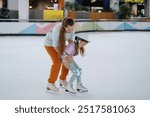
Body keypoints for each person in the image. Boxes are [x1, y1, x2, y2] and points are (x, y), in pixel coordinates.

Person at [44, 17, 75, 93]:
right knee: (57, 62)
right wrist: (63, 56)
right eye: (68, 29)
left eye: (72, 29)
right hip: (50, 44)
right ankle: (50, 83)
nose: (70, 31)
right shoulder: (57, 29)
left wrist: (70, 51)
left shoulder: (72, 28)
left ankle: (62, 79)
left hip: (61, 44)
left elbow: (71, 40)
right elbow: (55, 45)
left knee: (67, 60)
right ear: (64, 27)